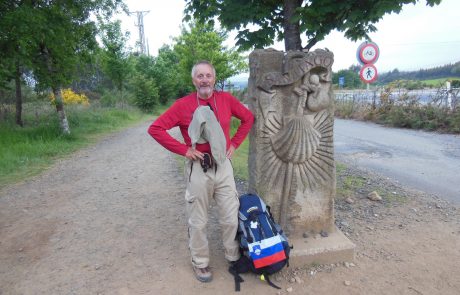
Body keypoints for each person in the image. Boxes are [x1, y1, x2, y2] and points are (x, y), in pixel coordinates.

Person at [148, 60, 254, 283]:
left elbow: (248, 118)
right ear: (193, 80)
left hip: (223, 166)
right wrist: (185, 150)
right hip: (199, 168)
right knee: (198, 220)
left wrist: (234, 144)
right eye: (200, 76)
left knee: (230, 216)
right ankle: (201, 262)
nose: (204, 79)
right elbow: (155, 128)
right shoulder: (183, 105)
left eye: (208, 75)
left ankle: (233, 256)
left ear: (214, 79)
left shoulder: (225, 99)